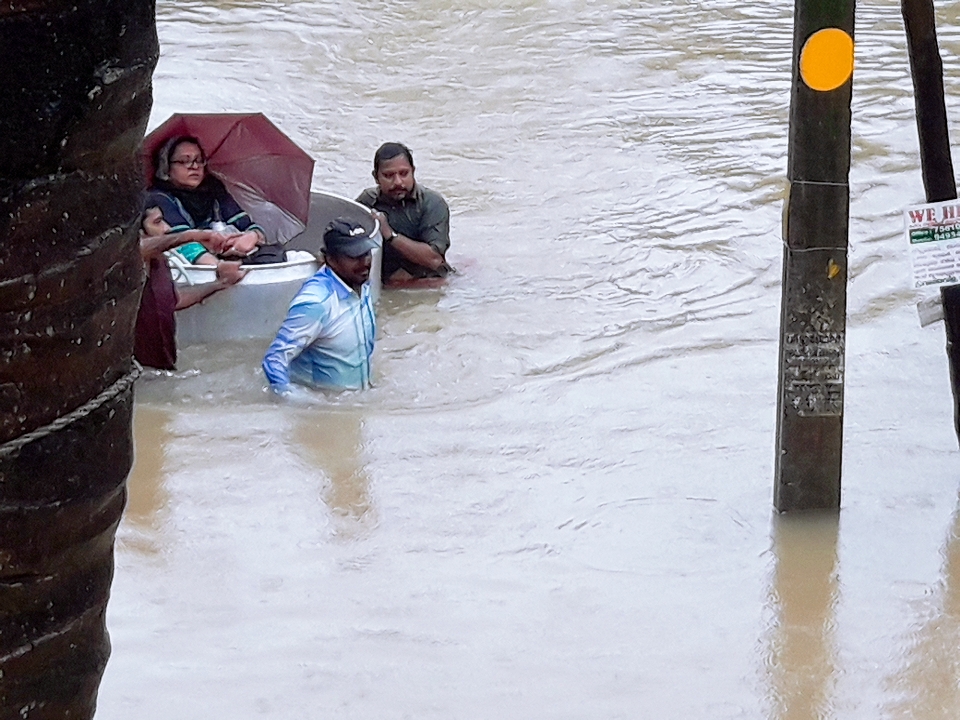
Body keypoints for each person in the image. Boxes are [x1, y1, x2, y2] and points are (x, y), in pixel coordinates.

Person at [262, 218, 377, 395]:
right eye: (353, 256)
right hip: (324, 406)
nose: (365, 262)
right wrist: (304, 405)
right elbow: (274, 360)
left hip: (355, 404)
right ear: (329, 259)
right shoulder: (316, 303)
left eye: (366, 253)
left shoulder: (362, 284)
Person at [135, 194, 246, 370]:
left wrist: (219, 284)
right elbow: (137, 249)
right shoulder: (128, 263)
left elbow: (172, 301)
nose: (166, 228)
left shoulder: (160, 261)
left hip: (161, 366)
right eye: (157, 223)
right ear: (138, 231)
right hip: (138, 371)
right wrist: (191, 236)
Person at [150, 135, 281, 266]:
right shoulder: (158, 198)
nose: (194, 166)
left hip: (231, 257)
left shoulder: (214, 188)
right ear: (166, 166)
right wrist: (218, 266)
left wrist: (251, 237)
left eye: (199, 160)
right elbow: (181, 241)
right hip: (190, 269)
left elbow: (249, 226)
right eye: (184, 161)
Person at [356, 142, 453, 284]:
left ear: (413, 171)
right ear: (376, 177)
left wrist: (389, 235)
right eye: (388, 175)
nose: (398, 182)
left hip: (428, 283)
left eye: (404, 173)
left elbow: (434, 259)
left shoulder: (432, 203)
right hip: (384, 285)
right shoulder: (367, 202)